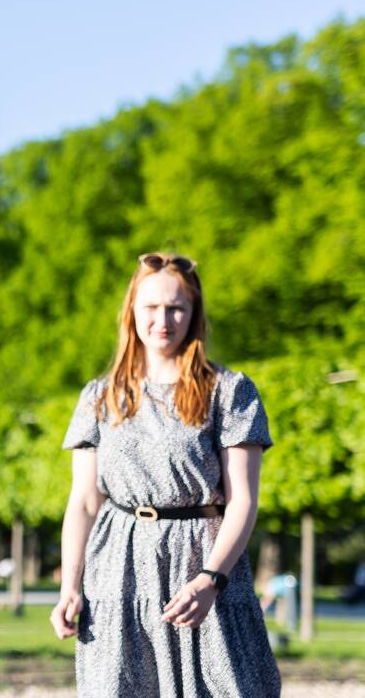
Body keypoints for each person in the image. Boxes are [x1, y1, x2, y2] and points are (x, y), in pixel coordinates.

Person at [49, 253, 281, 696]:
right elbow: (83, 502)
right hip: (118, 567)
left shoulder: (230, 392)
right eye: (151, 307)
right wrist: (69, 587)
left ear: (194, 315)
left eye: (177, 307)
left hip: (202, 559)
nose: (163, 319)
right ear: (131, 311)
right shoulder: (100, 397)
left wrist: (212, 578)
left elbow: (243, 501)